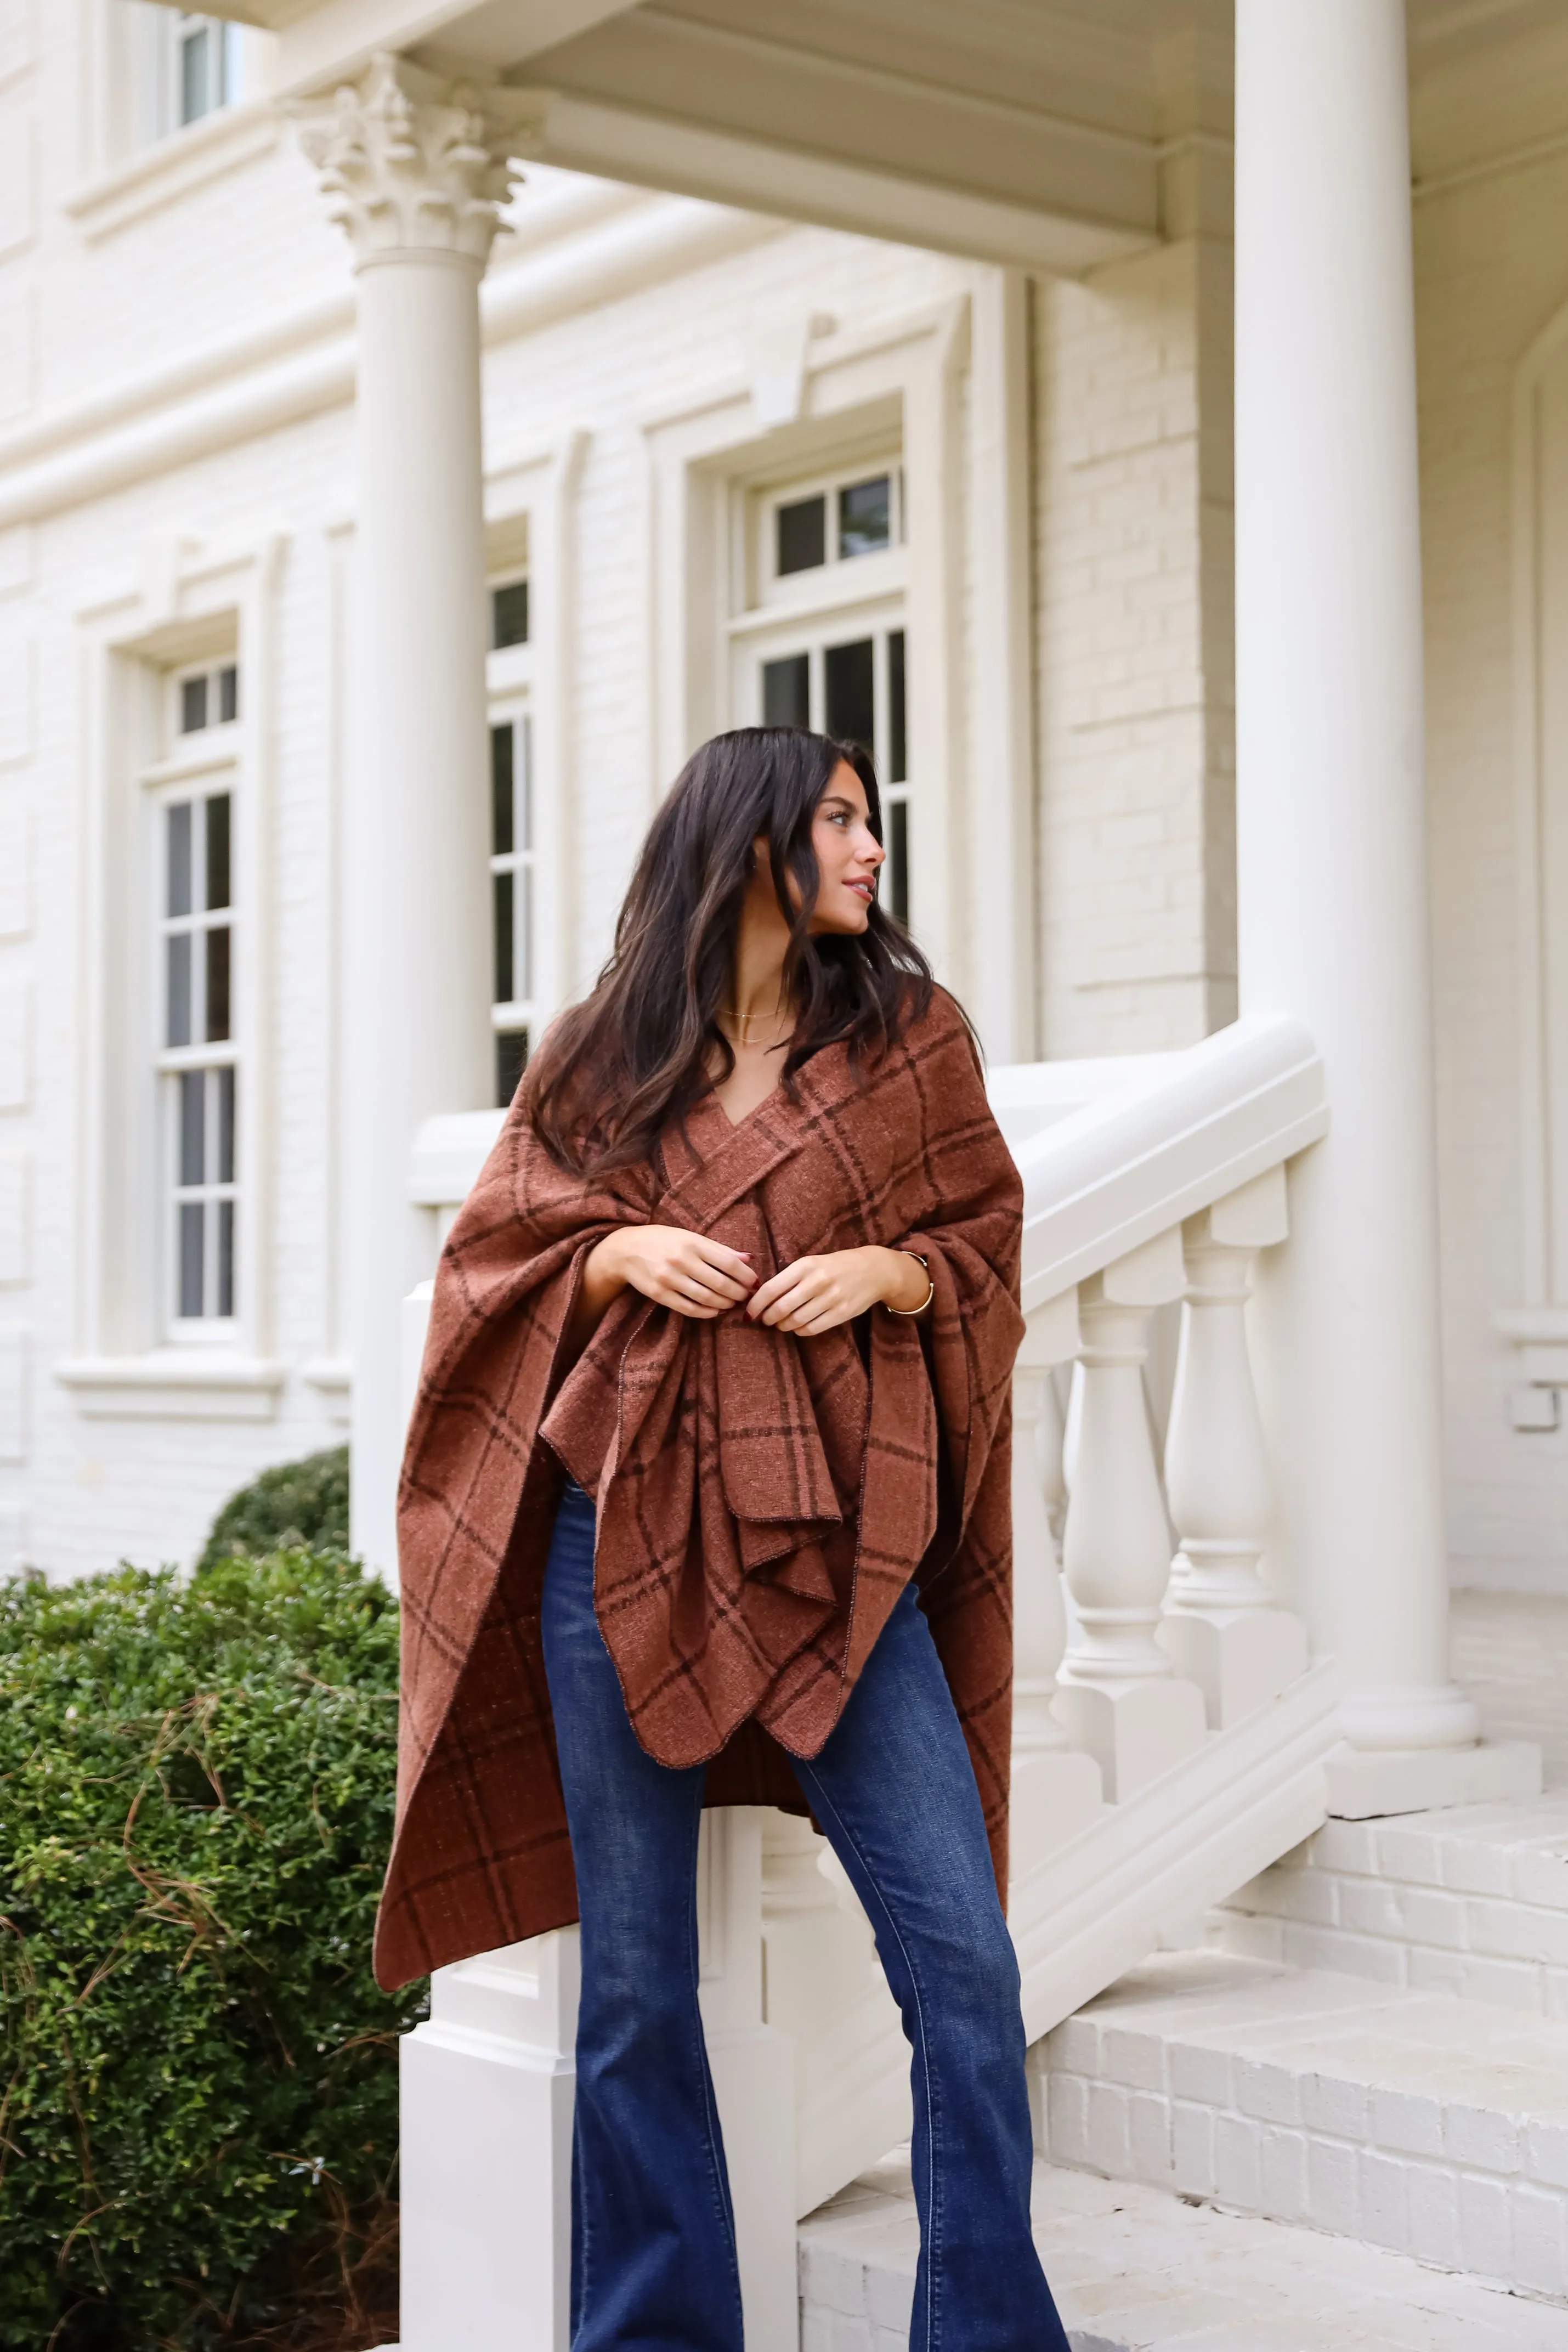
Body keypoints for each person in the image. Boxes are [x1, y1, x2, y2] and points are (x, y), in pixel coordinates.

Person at [375, 727, 1072, 2352]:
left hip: (847, 1553)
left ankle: (985, 2332)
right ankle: (657, 2334)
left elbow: (987, 1231)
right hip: (608, 1547)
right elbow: (495, 1261)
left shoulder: (910, 1039)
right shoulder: (600, 1057)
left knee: (963, 1965)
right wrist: (616, 1255)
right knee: (633, 1995)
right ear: (751, 839)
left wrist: (896, 1277)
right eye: (837, 819)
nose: (869, 848)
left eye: (871, 820)